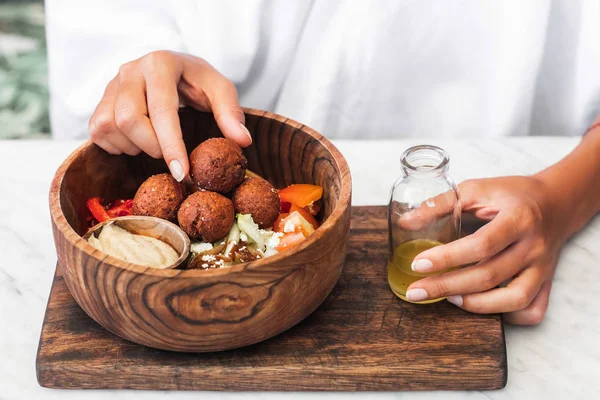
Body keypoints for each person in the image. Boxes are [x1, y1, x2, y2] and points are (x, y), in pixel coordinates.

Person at [45, 0, 600, 325]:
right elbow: (107, 31)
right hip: (213, 157)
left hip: (504, 158)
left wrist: (564, 195)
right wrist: (141, 68)